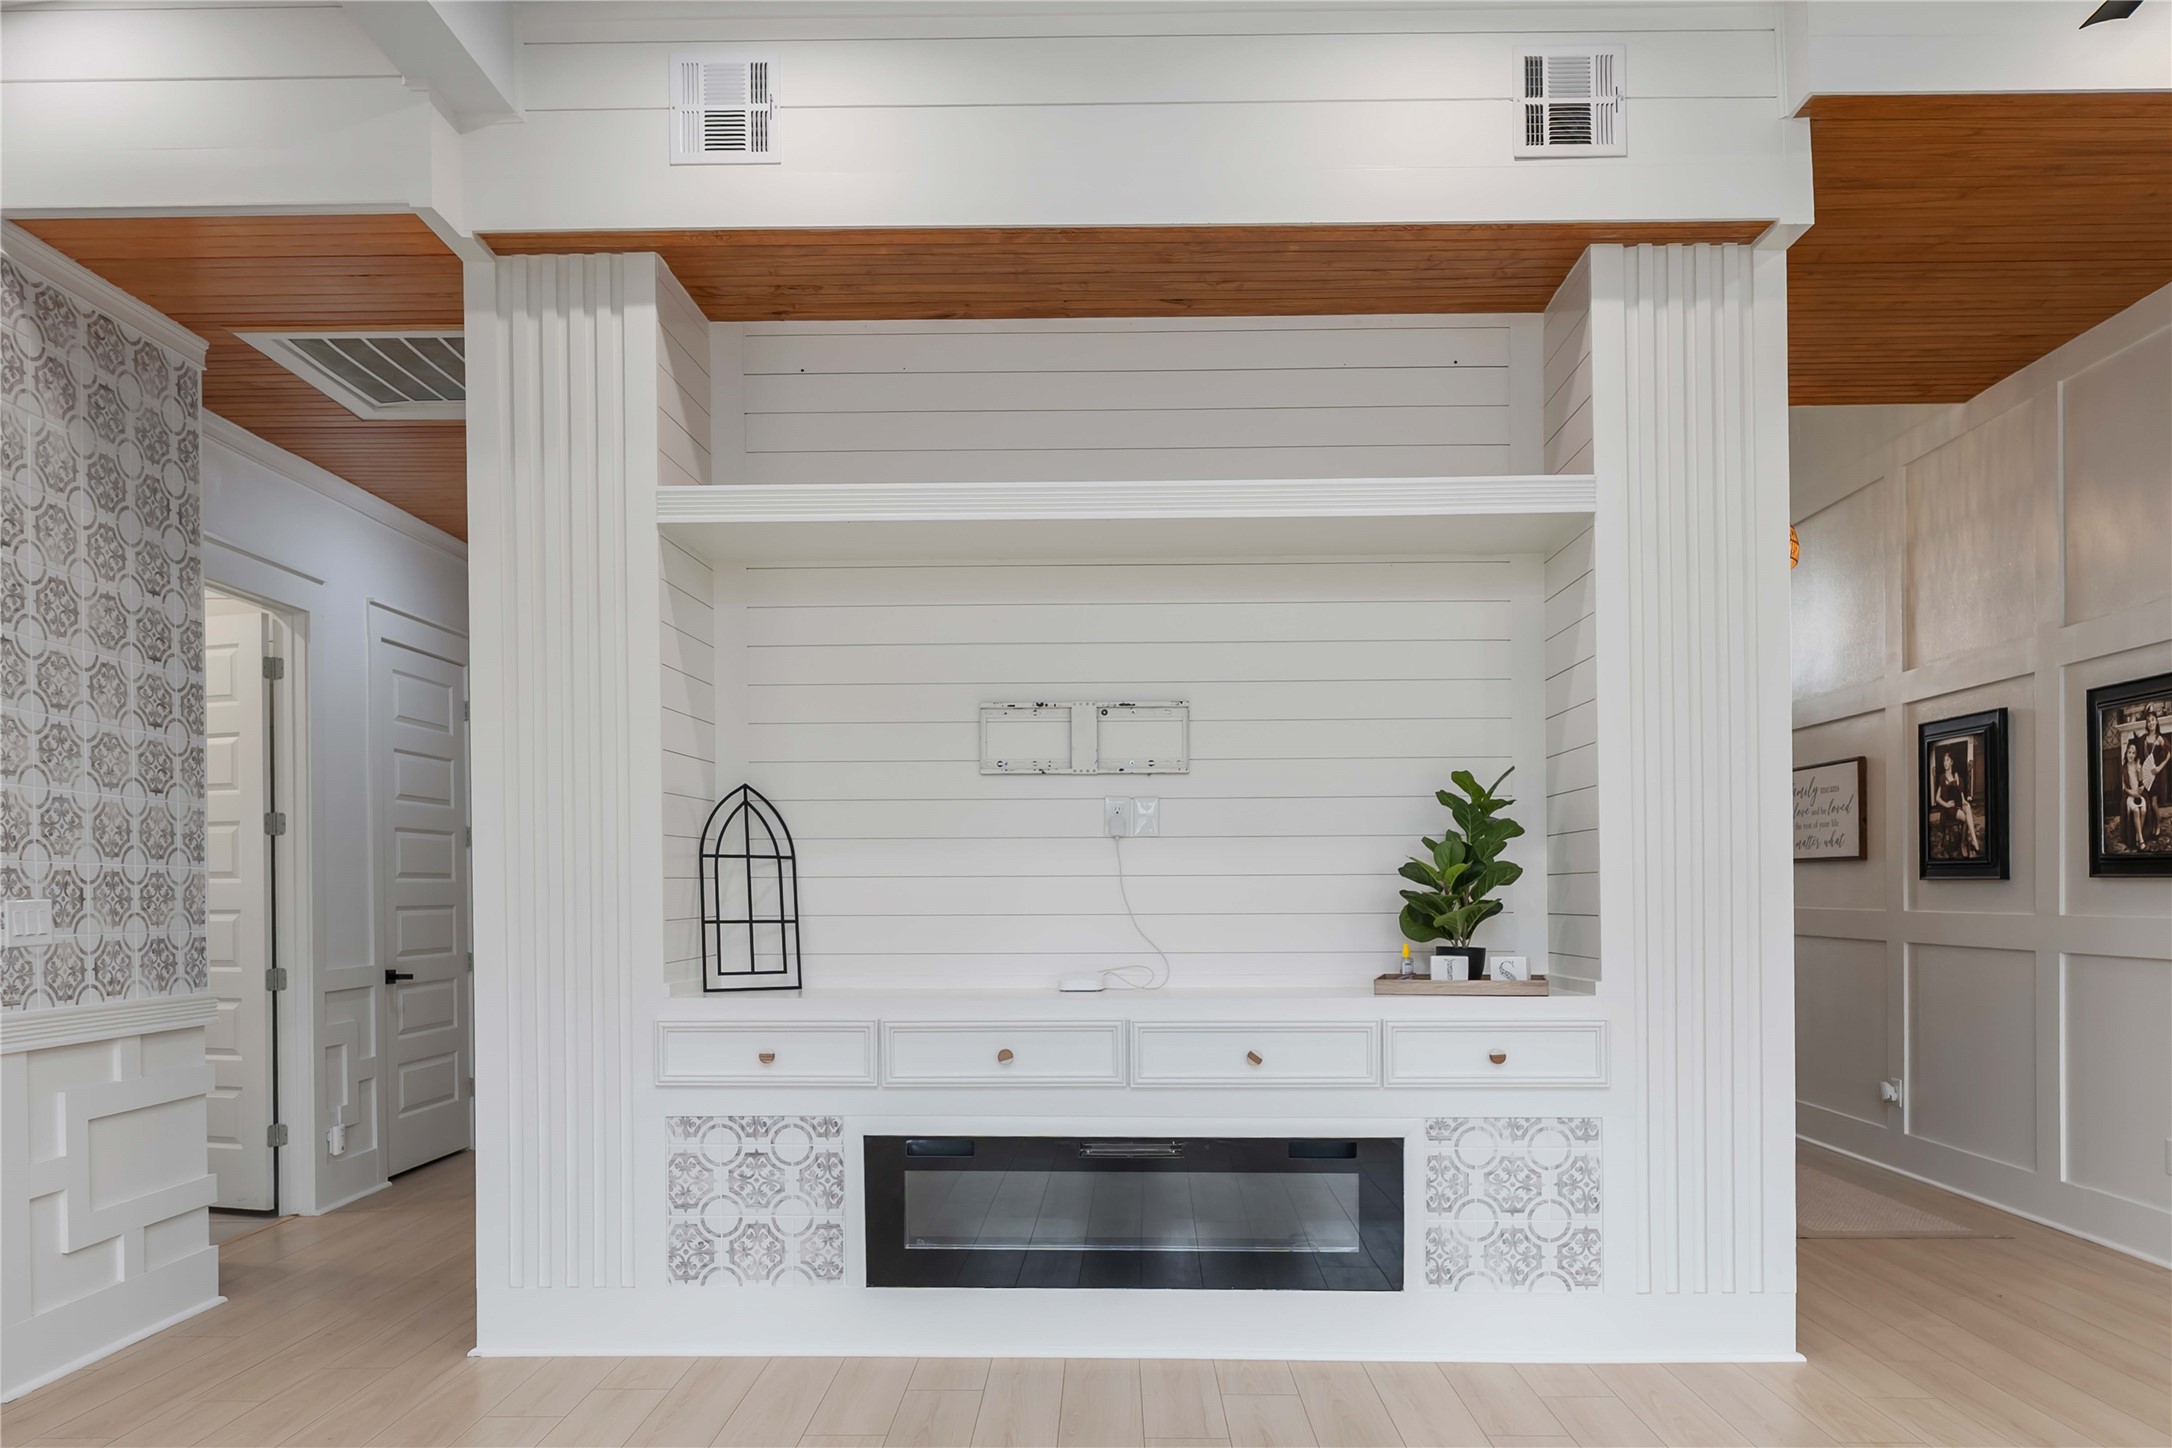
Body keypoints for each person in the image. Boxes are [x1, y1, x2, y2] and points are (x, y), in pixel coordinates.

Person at [1932, 746, 1980, 857]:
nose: (1945, 763)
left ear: (1952, 762)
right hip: (1950, 809)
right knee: (1966, 819)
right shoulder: (1942, 777)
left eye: (1947, 760)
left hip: (1959, 804)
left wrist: (1964, 801)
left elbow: (1961, 793)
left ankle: (1973, 841)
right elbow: (1937, 797)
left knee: (1967, 808)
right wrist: (1946, 804)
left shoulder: (1956, 776)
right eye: (1944, 760)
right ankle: (1964, 843)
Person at [2118, 735, 2151, 854]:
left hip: (2138, 792)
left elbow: (2141, 782)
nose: (2131, 755)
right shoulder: (2123, 768)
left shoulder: (2137, 764)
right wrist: (2134, 794)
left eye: (2133, 753)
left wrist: (2139, 771)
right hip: (2129, 794)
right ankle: (2140, 841)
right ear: (2126, 753)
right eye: (2129, 752)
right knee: (2136, 811)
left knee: (2143, 810)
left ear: (2136, 754)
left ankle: (2138, 834)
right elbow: (2125, 788)